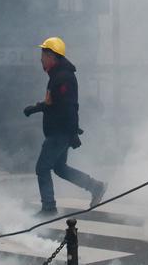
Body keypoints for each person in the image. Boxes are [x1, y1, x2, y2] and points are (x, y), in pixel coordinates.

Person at [24, 36, 106, 214]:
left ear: (52, 56)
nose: (41, 59)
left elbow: (69, 107)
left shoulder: (63, 78)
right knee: (60, 168)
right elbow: (53, 103)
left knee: (42, 168)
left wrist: (72, 133)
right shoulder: (57, 76)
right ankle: (95, 187)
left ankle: (48, 207)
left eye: (43, 54)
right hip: (59, 131)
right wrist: (37, 108)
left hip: (59, 132)